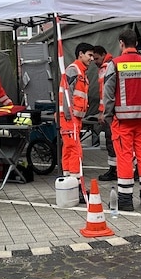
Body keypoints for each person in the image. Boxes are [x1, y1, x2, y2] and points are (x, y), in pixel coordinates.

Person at [103, 29, 141, 212]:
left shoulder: (115, 64)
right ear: (135, 43)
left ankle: (126, 201)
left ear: (121, 43)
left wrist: (108, 115)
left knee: (125, 159)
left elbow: (108, 93)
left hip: (122, 121)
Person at [59, 42, 94, 202]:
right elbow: (67, 93)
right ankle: (77, 187)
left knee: (69, 150)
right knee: (75, 152)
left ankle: (69, 183)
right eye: (90, 55)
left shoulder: (80, 71)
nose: (92, 58)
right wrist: (68, 115)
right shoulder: (74, 70)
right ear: (80, 54)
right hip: (70, 118)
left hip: (72, 117)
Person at [91, 44, 117, 181]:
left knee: (111, 141)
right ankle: (134, 169)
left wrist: (102, 112)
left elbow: (104, 93)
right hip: (117, 111)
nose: (94, 61)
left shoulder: (105, 68)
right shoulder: (112, 64)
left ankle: (114, 170)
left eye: (96, 58)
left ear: (103, 55)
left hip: (110, 113)